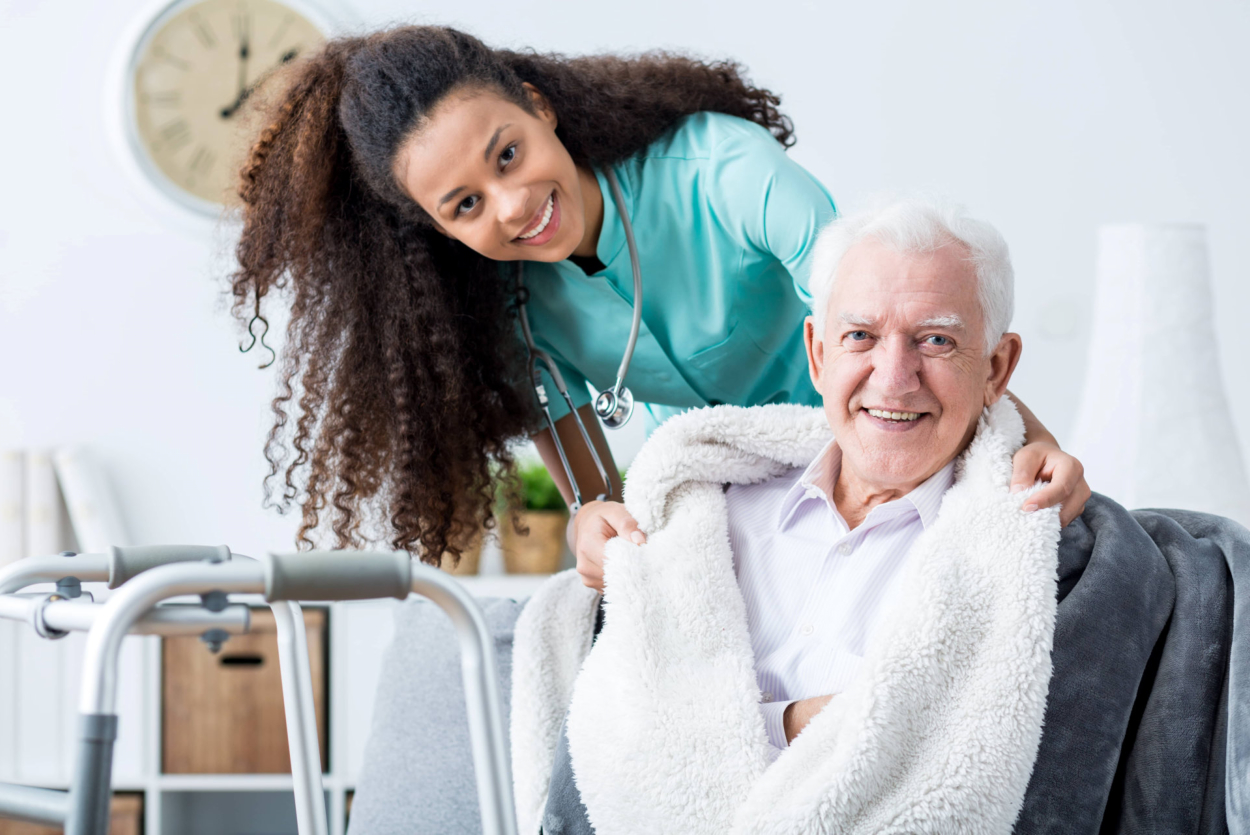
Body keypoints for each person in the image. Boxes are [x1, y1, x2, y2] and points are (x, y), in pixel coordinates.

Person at [230, 25, 1088, 575]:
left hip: (880, 443)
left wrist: (1037, 441)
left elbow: (893, 324)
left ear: (538, 108)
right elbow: (591, 485)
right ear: (435, 228)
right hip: (738, 495)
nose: (511, 205)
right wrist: (592, 525)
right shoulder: (506, 307)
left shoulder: (726, 171)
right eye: (464, 205)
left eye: (506, 154)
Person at [509, 198, 1242, 834]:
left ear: (997, 368)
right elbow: (629, 721)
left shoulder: (1025, 556)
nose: (894, 377)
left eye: (936, 340)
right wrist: (796, 722)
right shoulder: (698, 514)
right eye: (861, 336)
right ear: (817, 353)